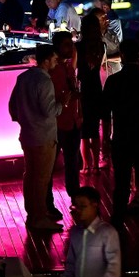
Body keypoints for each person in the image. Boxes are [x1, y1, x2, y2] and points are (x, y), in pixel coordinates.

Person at [8, 44, 69, 231]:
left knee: (30, 176)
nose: (56, 62)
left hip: (27, 134)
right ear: (46, 60)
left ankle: (32, 215)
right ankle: (40, 217)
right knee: (41, 179)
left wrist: (24, 120)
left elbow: (12, 106)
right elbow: (49, 111)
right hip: (44, 136)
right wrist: (62, 103)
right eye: (54, 59)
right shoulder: (44, 81)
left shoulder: (23, 77)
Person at [104, 39, 139, 235]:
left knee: (121, 183)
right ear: (138, 56)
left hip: (121, 136)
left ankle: (117, 221)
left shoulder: (114, 81)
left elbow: (105, 112)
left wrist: (106, 138)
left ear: (122, 55)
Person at [59, 186, 122, 277]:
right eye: (76, 207)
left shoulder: (107, 232)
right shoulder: (75, 232)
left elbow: (114, 264)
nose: (78, 210)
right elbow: (71, 262)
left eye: (83, 206)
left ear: (95, 205)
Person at [49, 31, 82, 200]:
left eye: (71, 44)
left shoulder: (68, 66)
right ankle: (47, 202)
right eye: (67, 45)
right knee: (50, 164)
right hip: (58, 123)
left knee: (72, 162)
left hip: (73, 121)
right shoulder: (52, 70)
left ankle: (75, 196)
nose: (71, 47)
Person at [77, 13, 105, 173]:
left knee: (83, 131)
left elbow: (75, 68)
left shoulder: (78, 47)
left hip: (83, 88)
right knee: (94, 129)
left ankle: (86, 166)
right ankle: (96, 165)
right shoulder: (101, 46)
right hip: (96, 87)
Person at [92, 0, 123, 65]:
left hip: (110, 63)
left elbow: (112, 46)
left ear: (105, 7)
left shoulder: (111, 22)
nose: (93, 10)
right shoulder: (110, 20)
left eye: (95, 8)